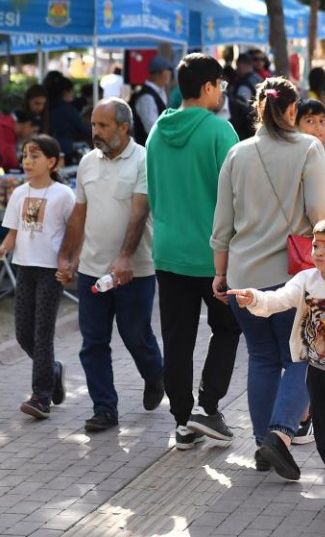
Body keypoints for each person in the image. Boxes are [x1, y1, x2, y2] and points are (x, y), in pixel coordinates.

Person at [211, 76, 325, 479]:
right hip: (291, 277)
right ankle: (279, 436)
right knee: (302, 357)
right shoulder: (309, 149)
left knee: (261, 358)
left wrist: (220, 273)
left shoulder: (237, 153)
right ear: (293, 110)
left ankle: (264, 443)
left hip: (242, 277)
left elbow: (222, 224)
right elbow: (320, 215)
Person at [228, 218, 325, 520]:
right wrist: (253, 298)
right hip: (315, 370)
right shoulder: (306, 280)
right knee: (323, 435)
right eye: (316, 245)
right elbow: (278, 299)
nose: (319, 252)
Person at [144, 54, 242, 449]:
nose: (222, 93)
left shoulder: (155, 131)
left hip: (168, 250)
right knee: (229, 326)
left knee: (177, 339)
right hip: (214, 254)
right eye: (220, 85)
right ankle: (209, 406)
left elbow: (151, 191)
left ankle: (183, 421)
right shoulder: (220, 132)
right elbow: (238, 197)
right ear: (207, 87)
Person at [57, 99, 164, 434]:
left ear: (123, 127)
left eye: (102, 126)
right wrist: (70, 256)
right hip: (92, 270)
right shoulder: (88, 163)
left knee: (135, 336)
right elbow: (79, 213)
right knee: (93, 343)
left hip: (134, 270)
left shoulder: (144, 160)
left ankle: (155, 375)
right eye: (92, 125)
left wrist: (125, 257)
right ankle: (104, 408)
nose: (95, 132)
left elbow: (139, 212)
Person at [0, 136, 76, 420]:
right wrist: (2, 249)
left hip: (51, 271)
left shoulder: (64, 195)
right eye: (25, 155)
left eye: (35, 156)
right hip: (24, 268)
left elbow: (75, 233)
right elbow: (13, 233)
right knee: (23, 332)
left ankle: (41, 396)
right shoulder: (18, 193)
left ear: (51, 162)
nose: (27, 161)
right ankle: (52, 371)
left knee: (42, 333)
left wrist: (70, 264)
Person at [45, 74, 93, 161]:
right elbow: (82, 127)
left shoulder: (47, 105)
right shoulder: (67, 109)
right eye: (72, 91)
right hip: (64, 149)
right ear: (66, 92)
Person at [130, 56, 173, 146]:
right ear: (160, 73)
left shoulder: (160, 91)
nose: (170, 73)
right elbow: (152, 129)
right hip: (148, 150)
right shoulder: (146, 97)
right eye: (168, 70)